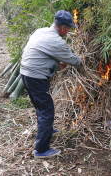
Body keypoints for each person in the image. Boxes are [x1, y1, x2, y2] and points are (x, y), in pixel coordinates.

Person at [20, 10, 82, 159]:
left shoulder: (40, 31)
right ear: (62, 27)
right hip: (36, 77)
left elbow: (40, 52)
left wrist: (54, 63)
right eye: (68, 29)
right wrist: (81, 61)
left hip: (26, 73)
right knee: (47, 110)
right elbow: (75, 61)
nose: (68, 32)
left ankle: (46, 130)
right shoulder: (56, 41)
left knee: (41, 106)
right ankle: (41, 150)